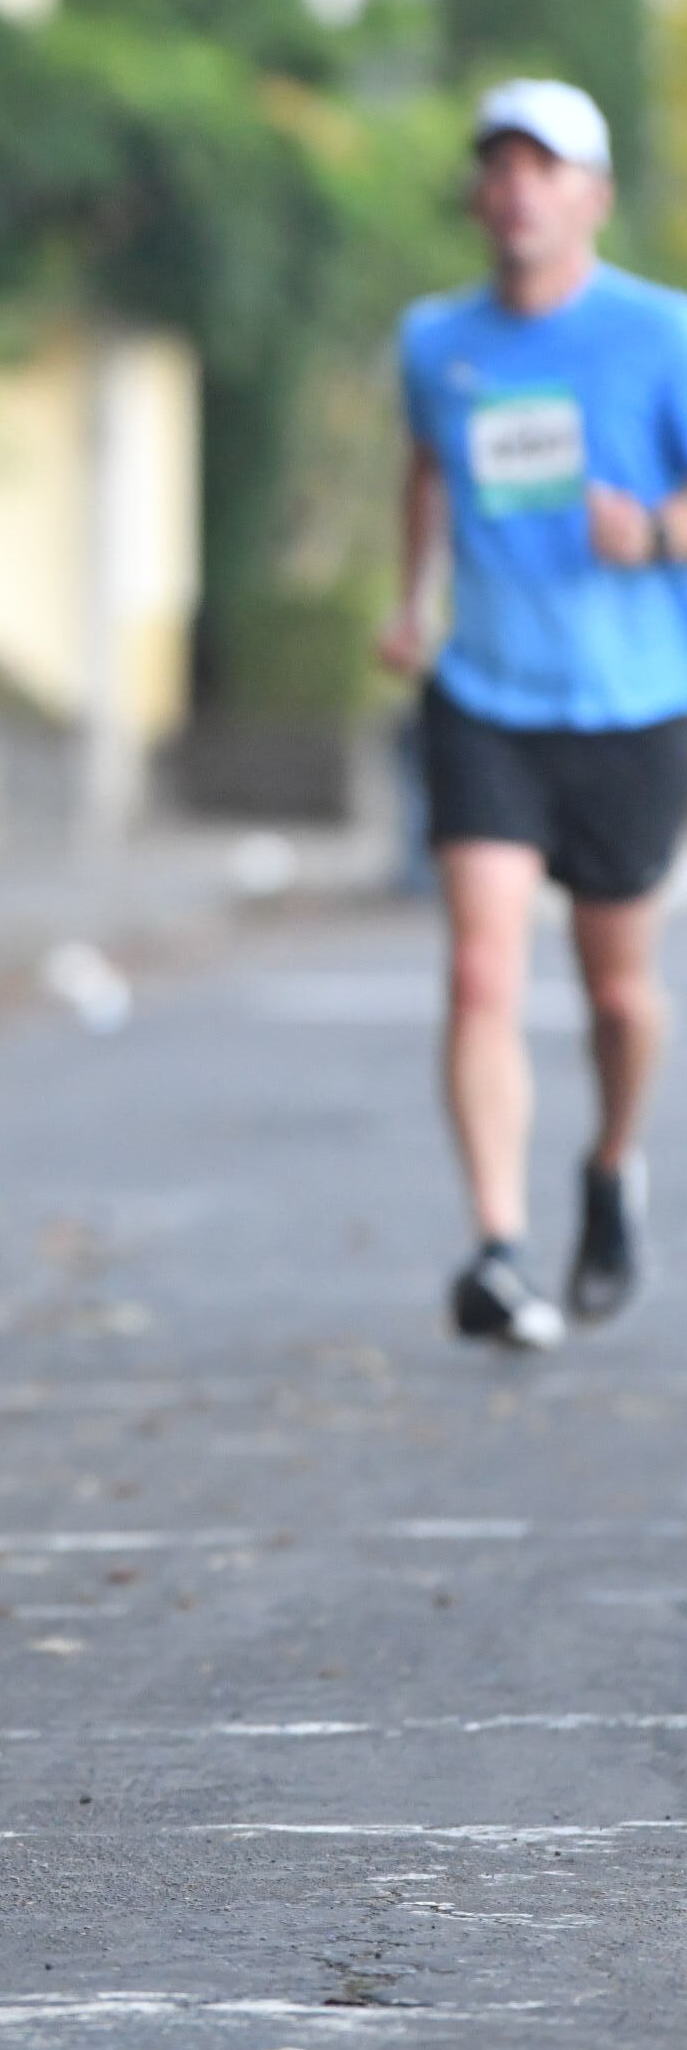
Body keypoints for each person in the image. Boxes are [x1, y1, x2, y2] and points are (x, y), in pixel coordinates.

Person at [380, 80, 687, 1349]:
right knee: (479, 969)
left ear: (591, 196)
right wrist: (413, 598)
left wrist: (653, 533)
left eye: (541, 167)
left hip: (630, 704)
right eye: (497, 166)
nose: (515, 189)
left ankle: (610, 1165)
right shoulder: (433, 340)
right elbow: (426, 468)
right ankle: (497, 1250)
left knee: (616, 998)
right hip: (483, 697)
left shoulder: (659, 334)